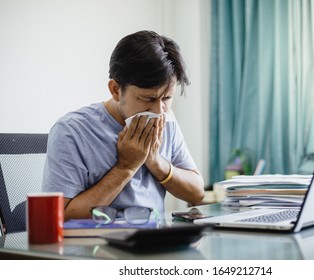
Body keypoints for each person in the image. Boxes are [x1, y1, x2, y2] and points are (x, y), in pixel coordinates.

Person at [42, 30, 205, 221]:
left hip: (153, 242)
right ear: (116, 90)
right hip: (95, 245)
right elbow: (61, 217)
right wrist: (126, 167)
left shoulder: (166, 121)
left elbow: (197, 193)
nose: (159, 110)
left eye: (167, 98)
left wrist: (154, 161)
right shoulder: (71, 131)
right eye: (148, 98)